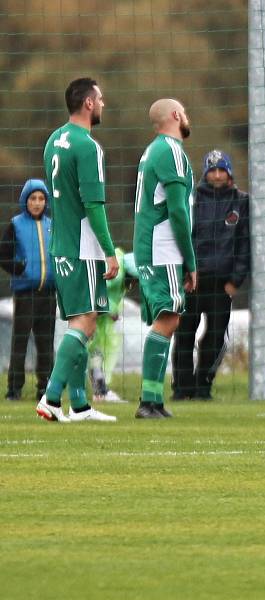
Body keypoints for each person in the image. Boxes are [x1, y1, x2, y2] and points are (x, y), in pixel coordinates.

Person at [36, 77, 119, 423]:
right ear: (87, 103)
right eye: (99, 99)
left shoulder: (54, 140)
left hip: (61, 244)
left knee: (78, 322)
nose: (102, 104)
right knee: (85, 324)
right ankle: (52, 398)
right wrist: (110, 251)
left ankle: (81, 405)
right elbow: (93, 205)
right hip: (83, 248)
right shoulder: (89, 146)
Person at [132, 98, 197, 419]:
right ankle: (148, 401)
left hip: (153, 245)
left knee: (170, 316)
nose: (187, 117)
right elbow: (177, 211)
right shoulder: (171, 151)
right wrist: (191, 260)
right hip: (164, 246)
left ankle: (154, 400)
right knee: (168, 316)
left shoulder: (152, 151)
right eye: (184, 112)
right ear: (175, 115)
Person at [171, 149, 250, 400]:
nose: (216, 175)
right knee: (184, 334)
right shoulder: (192, 199)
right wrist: (183, 273)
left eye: (221, 170)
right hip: (192, 281)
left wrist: (236, 280)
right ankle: (182, 389)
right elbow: (182, 236)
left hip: (222, 283)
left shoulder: (241, 201)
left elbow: (245, 242)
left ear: (229, 173)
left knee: (215, 337)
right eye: (212, 170)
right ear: (205, 173)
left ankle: (203, 386)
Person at [0, 179, 56, 401]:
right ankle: (14, 388)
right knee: (20, 341)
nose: (37, 203)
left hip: (48, 294)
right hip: (26, 294)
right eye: (33, 198)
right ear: (25, 200)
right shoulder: (16, 225)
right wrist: (19, 268)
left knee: (46, 343)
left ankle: (45, 388)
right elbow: (3, 255)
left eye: (41, 199)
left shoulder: (52, 225)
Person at [88, 247, 135, 403]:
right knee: (93, 352)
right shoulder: (116, 274)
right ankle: (99, 391)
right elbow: (95, 292)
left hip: (101, 322)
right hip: (92, 319)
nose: (133, 284)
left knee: (96, 352)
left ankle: (100, 391)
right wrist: (108, 309)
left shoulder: (119, 268)